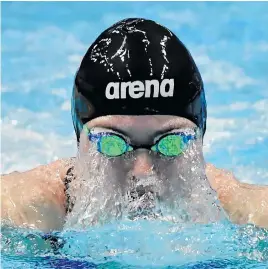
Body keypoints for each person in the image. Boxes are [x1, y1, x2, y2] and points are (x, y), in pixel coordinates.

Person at [1, 18, 268, 233]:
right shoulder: (26, 209)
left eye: (170, 144)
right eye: (113, 143)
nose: (142, 173)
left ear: (198, 143)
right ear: (80, 141)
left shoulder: (240, 213)